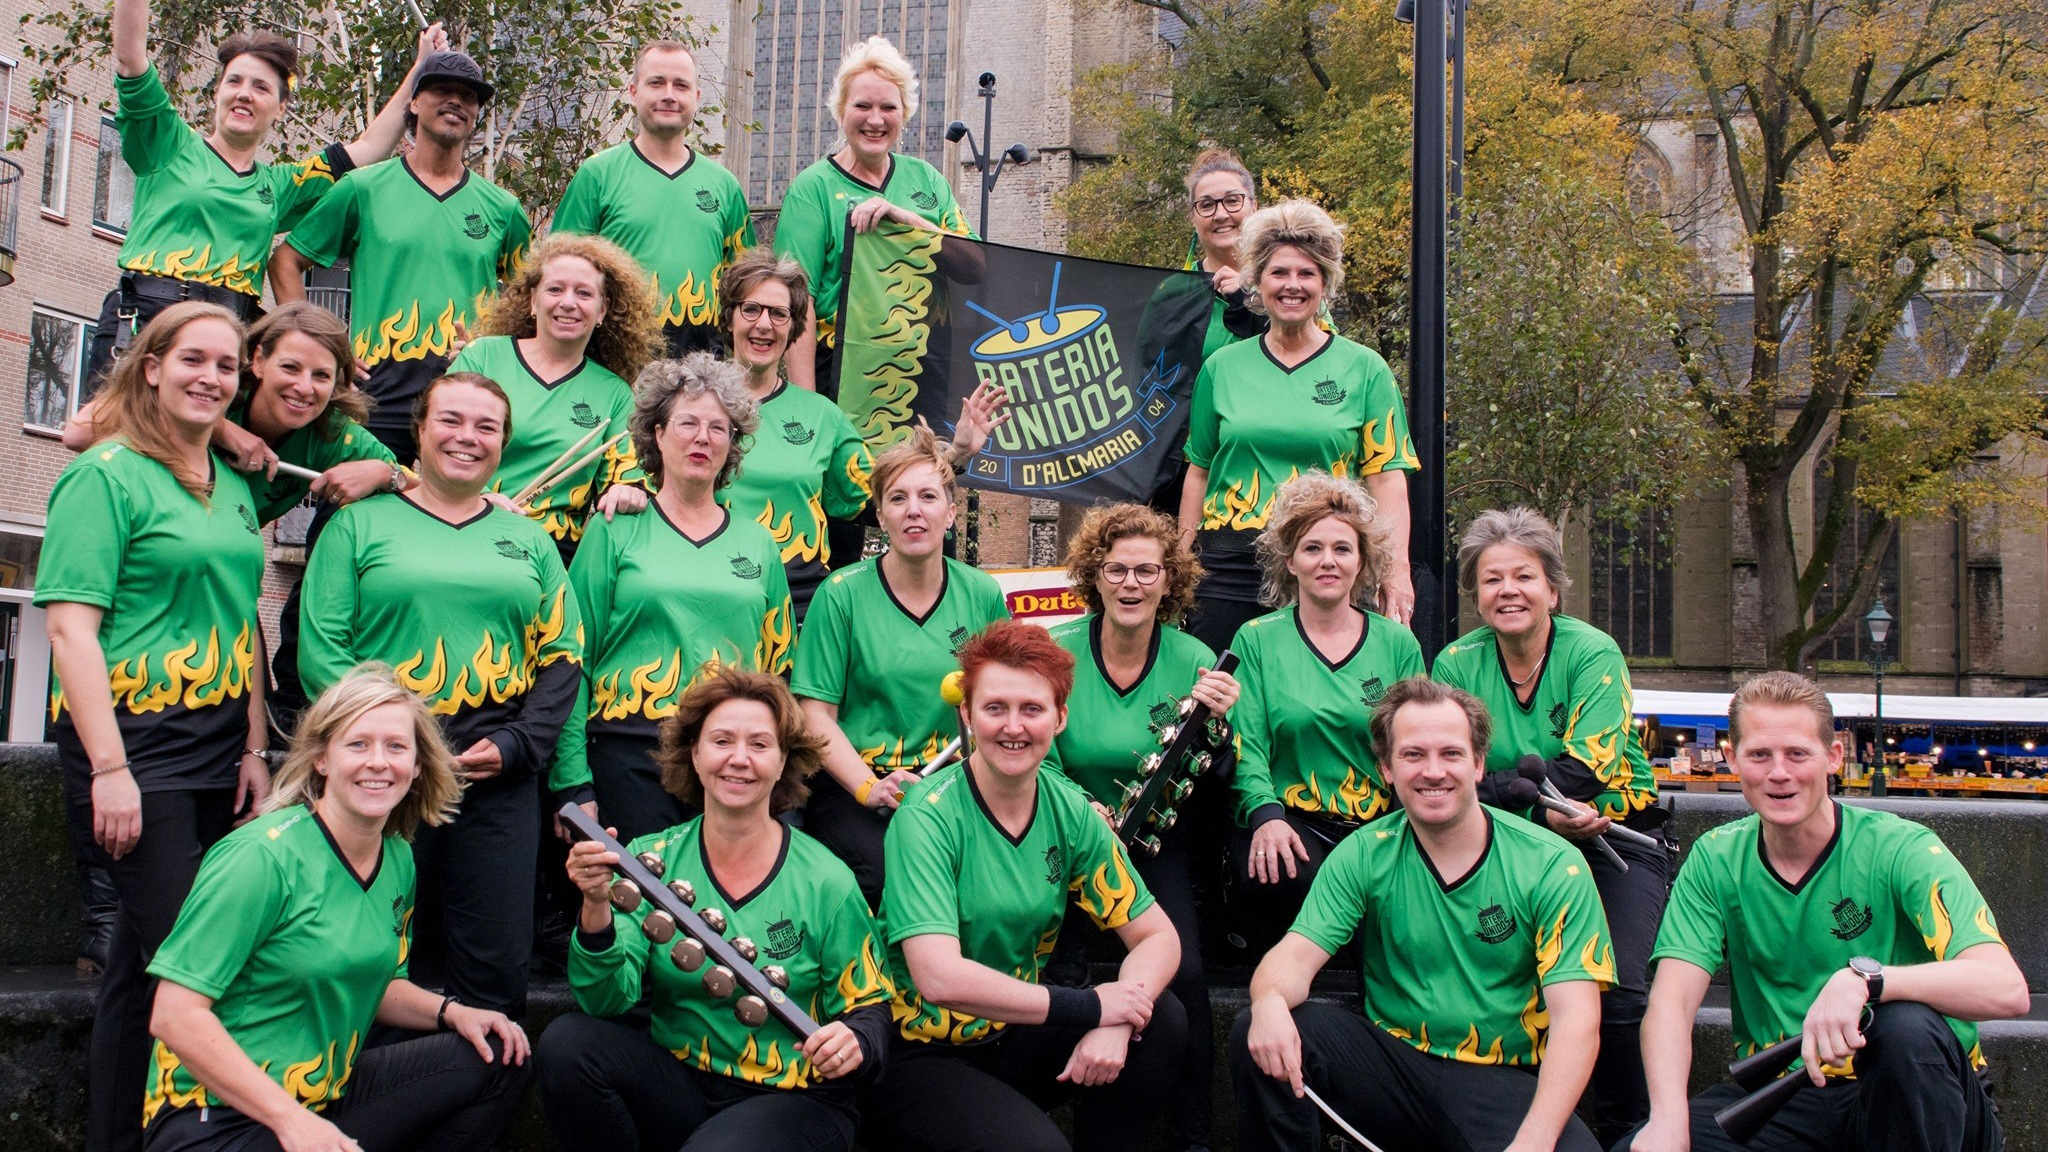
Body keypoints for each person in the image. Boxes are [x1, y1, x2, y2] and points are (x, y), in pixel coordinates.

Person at [36, 304, 269, 1152]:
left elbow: (243, 622)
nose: (211, 377)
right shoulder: (104, 475)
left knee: (137, 975)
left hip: (215, 748)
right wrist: (109, 768)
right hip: (134, 744)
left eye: (228, 367)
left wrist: (251, 746)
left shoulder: (236, 487)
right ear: (150, 366)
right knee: (194, 964)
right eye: (193, 360)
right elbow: (70, 629)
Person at [1617, 671, 2026, 1152]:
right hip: (1791, 1092)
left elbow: (2008, 991)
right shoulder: (1716, 858)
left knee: (1903, 1025)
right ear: (1732, 759)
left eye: (1797, 754)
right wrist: (1667, 1118)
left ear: (1833, 757)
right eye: (1759, 755)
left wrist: (1868, 982)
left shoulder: (1901, 847)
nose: (1779, 773)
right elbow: (1671, 1004)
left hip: (1921, 1093)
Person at [143, 665, 531, 1152]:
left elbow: (376, 981)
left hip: (324, 1099)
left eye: (396, 746)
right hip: (216, 1119)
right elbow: (173, 1016)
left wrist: (453, 1012)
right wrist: (290, 1121)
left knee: (499, 1055)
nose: (378, 762)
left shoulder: (397, 858)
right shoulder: (260, 857)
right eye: (358, 744)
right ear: (322, 759)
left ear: (416, 766)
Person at [299, 372, 584, 1018]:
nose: (468, 437)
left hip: (496, 775)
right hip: (380, 771)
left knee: (495, 978)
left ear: (504, 444)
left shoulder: (533, 540)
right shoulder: (357, 526)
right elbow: (322, 652)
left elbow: (565, 654)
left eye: (487, 427)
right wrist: (394, 746)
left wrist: (518, 744)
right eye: (451, 420)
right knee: (370, 962)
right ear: (419, 432)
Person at [1234, 677, 1613, 1152]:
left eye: (1451, 754)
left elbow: (1577, 1020)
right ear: (1386, 768)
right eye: (1413, 755)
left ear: (1479, 764)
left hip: (1500, 1082)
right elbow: (1292, 958)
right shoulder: (1363, 854)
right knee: (1260, 1028)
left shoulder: (1552, 863)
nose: (1433, 771)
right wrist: (1267, 1001)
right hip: (1392, 1067)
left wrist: (1531, 1143)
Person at [862, 620, 1189, 1152]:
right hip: (919, 1052)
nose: (1013, 727)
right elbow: (938, 976)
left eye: (1032, 709)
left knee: (1161, 1021)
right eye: (995, 708)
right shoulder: (927, 816)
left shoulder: (1071, 810)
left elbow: (1159, 939)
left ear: (1059, 718)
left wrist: (1115, 1021)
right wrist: (1091, 1008)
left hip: (1012, 1035)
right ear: (966, 715)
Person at [539, 668, 894, 1152]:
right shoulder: (651, 858)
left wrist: (854, 1042)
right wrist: (596, 902)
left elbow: (869, 1010)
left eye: (760, 744)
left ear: (784, 759)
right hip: (682, 1084)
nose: (739, 759)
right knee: (567, 1045)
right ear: (695, 753)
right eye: (722, 740)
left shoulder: (826, 879)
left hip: (796, 1099)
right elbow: (606, 1002)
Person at [1431, 507, 1668, 1144]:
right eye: (1491, 579)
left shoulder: (1594, 652)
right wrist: (1532, 796)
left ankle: (1627, 1131)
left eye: (1524, 577)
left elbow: (1588, 772)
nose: (1508, 590)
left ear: (1552, 589)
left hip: (1613, 840)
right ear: (1476, 595)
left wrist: (1512, 787)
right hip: (1510, 845)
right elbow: (1450, 770)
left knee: (1616, 993)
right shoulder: (1456, 664)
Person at [84, 0, 441, 387]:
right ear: (216, 93)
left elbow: (369, 148)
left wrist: (421, 68)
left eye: (260, 87)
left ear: (280, 108)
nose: (244, 94)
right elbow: (130, 58)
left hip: (230, 340)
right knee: (115, 440)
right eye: (234, 81)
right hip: (150, 322)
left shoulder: (279, 186)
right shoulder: (167, 144)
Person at [1045, 503, 1239, 1152]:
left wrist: (1219, 727)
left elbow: (1215, 771)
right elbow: (1028, 751)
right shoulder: (1056, 652)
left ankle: (1193, 1137)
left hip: (1153, 842)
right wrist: (1078, 807)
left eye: (1146, 571)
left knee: (1183, 973)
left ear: (1169, 581)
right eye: (1117, 569)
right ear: (1093, 576)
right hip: (1066, 837)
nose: (1131, 584)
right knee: (1052, 967)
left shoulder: (1193, 657)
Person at [553, 354, 792, 845]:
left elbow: (779, 672)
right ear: (657, 434)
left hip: (732, 761)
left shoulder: (760, 544)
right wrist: (572, 779)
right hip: (628, 757)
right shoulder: (613, 530)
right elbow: (570, 661)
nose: (703, 438)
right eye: (688, 423)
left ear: (733, 445)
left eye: (719, 428)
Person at [1177, 199, 1417, 650]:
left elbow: (1387, 479)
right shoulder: (1221, 368)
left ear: (1325, 284)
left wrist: (1395, 570)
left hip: (1330, 564)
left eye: (1306, 274)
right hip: (1229, 567)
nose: (1293, 285)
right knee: (1217, 704)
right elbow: (1199, 472)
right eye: (1279, 273)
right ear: (1258, 283)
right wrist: (1181, 569)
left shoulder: (1365, 369)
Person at [273, 50, 532, 464]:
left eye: (469, 97)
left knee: (452, 519)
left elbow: (531, 299)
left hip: (465, 389)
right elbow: (286, 260)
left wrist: (495, 347)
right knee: (353, 510)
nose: (456, 102)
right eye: (442, 90)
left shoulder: (503, 208)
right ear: (413, 102)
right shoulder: (363, 188)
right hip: (376, 389)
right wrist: (320, 348)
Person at [790, 426, 1008, 907]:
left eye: (929, 496)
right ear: (881, 516)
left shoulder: (982, 594)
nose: (914, 510)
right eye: (898, 498)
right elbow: (815, 715)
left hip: (954, 787)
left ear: (950, 514)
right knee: (894, 877)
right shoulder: (841, 594)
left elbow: (1001, 705)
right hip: (859, 789)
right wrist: (870, 788)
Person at [1228, 473, 1424, 947]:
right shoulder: (1255, 639)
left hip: (1379, 826)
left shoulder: (1397, 644)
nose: (1327, 561)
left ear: (1362, 561)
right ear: (1290, 561)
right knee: (1282, 872)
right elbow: (1246, 745)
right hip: (1291, 824)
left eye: (1342, 549)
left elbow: (1417, 745)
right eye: (1312, 548)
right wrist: (1265, 815)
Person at [772, 35, 976, 395]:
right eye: (863, 106)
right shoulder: (812, 189)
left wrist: (908, 220)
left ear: (905, 113)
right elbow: (796, 303)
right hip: (842, 373)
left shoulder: (926, 179)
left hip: (925, 370)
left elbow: (975, 266)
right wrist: (807, 408)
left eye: (888, 108)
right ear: (841, 110)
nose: (876, 120)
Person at [451, 232, 662, 559]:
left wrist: (629, 492)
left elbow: (626, 477)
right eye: (555, 289)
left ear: (602, 310)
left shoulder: (615, 393)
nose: (568, 303)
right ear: (533, 301)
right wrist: (477, 499)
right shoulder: (483, 358)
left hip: (556, 553)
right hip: (470, 525)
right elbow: (441, 445)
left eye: (584, 293)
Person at [552, 41, 755, 358]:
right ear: (634, 92)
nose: (669, 95)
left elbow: (746, 288)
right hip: (613, 365)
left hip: (702, 369)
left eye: (681, 85)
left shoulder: (725, 186)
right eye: (657, 83)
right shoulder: (596, 176)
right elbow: (558, 273)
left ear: (696, 98)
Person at [712, 249, 871, 620]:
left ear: (794, 326)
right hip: (709, 601)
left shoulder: (823, 417)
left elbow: (882, 490)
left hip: (800, 610)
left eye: (779, 313)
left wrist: (954, 455)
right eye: (751, 309)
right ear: (730, 316)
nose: (764, 325)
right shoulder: (688, 406)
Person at [1181, 150, 1265, 364]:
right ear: (1193, 217)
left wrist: (1249, 298)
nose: (1220, 215)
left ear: (1253, 207)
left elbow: (1319, 349)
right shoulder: (1177, 293)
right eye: (1206, 205)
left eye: (1232, 200)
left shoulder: (1292, 278)